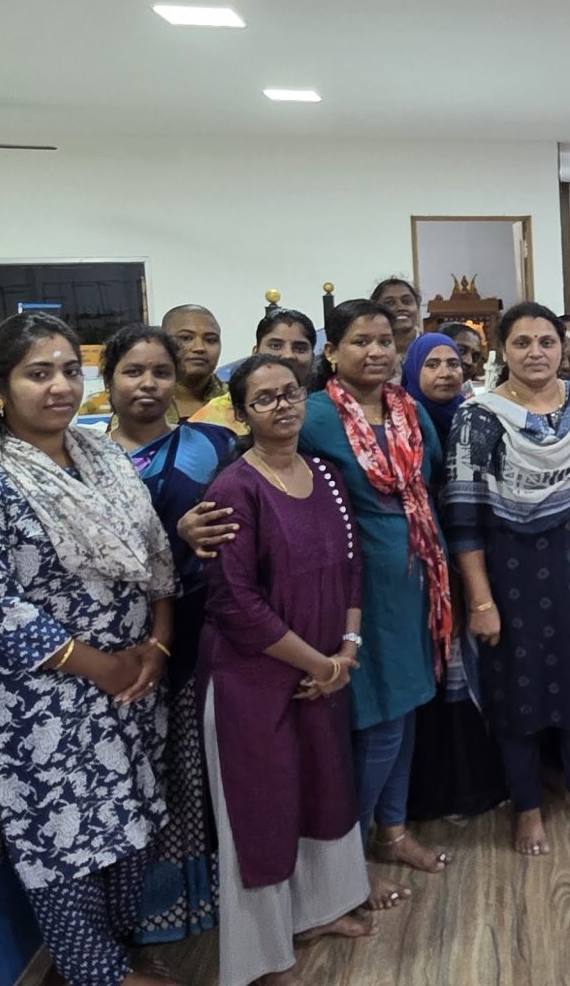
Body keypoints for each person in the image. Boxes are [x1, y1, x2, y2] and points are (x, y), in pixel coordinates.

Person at [0, 312, 181, 986]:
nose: (59, 386)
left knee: (131, 822)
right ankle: (95, 972)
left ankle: (121, 950)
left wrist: (157, 645)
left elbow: (156, 554)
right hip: (44, 700)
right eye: (37, 373)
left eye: (70, 370)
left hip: (131, 683)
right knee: (63, 840)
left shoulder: (104, 458)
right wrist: (101, 666)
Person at [197, 356, 374, 985]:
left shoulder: (326, 474)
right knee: (262, 812)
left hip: (324, 669)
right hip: (253, 679)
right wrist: (321, 663)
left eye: (291, 393)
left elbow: (351, 564)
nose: (282, 406)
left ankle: (320, 911)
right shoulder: (233, 489)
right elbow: (234, 602)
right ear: (242, 413)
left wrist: (346, 649)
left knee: (323, 787)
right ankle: (263, 956)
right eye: (265, 398)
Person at [445, 304, 570, 855]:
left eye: (546, 342)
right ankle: (527, 806)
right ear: (502, 350)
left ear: (563, 348)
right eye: (522, 342)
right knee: (517, 691)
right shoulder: (478, 418)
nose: (536, 353)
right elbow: (463, 518)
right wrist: (481, 601)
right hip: (513, 580)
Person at [297, 300, 452, 907]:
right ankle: (346, 863)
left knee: (408, 709)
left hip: (419, 582)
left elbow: (429, 480)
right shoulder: (312, 416)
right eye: (360, 341)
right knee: (379, 722)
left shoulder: (408, 409)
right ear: (332, 352)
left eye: (385, 340)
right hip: (359, 592)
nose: (376, 351)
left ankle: (393, 831)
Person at [100, 325, 240, 943]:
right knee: (137, 774)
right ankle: (145, 915)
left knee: (197, 765)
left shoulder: (214, 443)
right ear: (108, 380)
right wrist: (166, 531)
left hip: (203, 626)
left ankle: (215, 899)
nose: (148, 384)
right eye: (133, 371)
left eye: (160, 371)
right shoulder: (83, 459)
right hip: (115, 640)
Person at [398, 330, 507, 824]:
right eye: (432, 364)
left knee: (475, 670)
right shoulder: (404, 424)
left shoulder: (477, 418)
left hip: (475, 563)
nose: (445, 373)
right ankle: (432, 794)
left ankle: (480, 785)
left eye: (453, 363)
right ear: (412, 371)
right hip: (421, 570)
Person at [193, 309, 320, 435]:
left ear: (313, 358)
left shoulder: (326, 409)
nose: (288, 355)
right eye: (276, 346)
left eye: (300, 348)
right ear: (255, 353)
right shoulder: (213, 419)